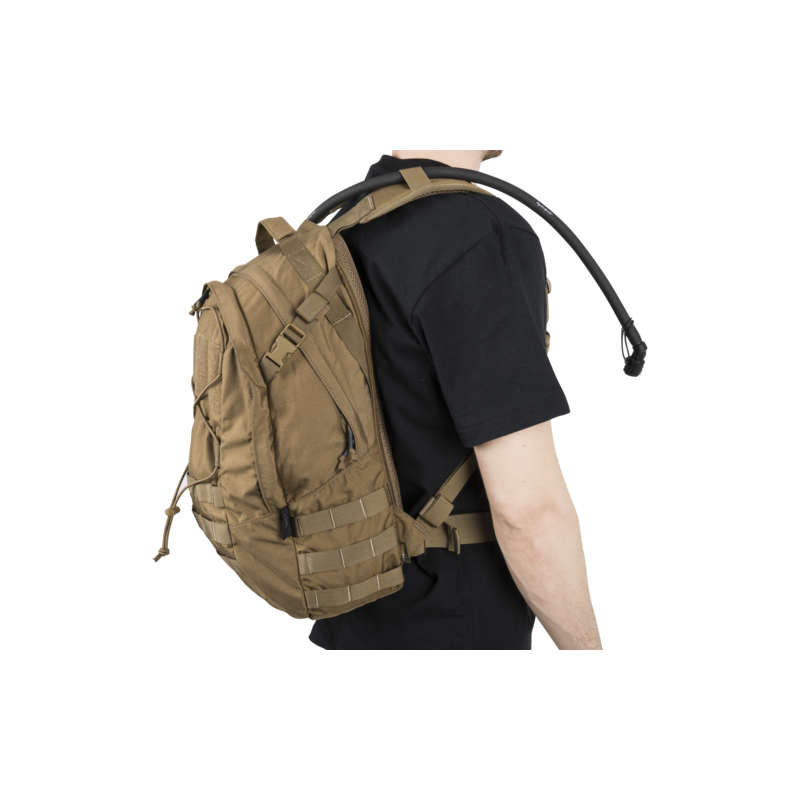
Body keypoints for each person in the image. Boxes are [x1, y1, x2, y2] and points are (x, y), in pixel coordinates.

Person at [307, 151, 603, 650]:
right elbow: (528, 511)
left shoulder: (343, 221)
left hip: (349, 612)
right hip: (454, 622)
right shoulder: (477, 232)